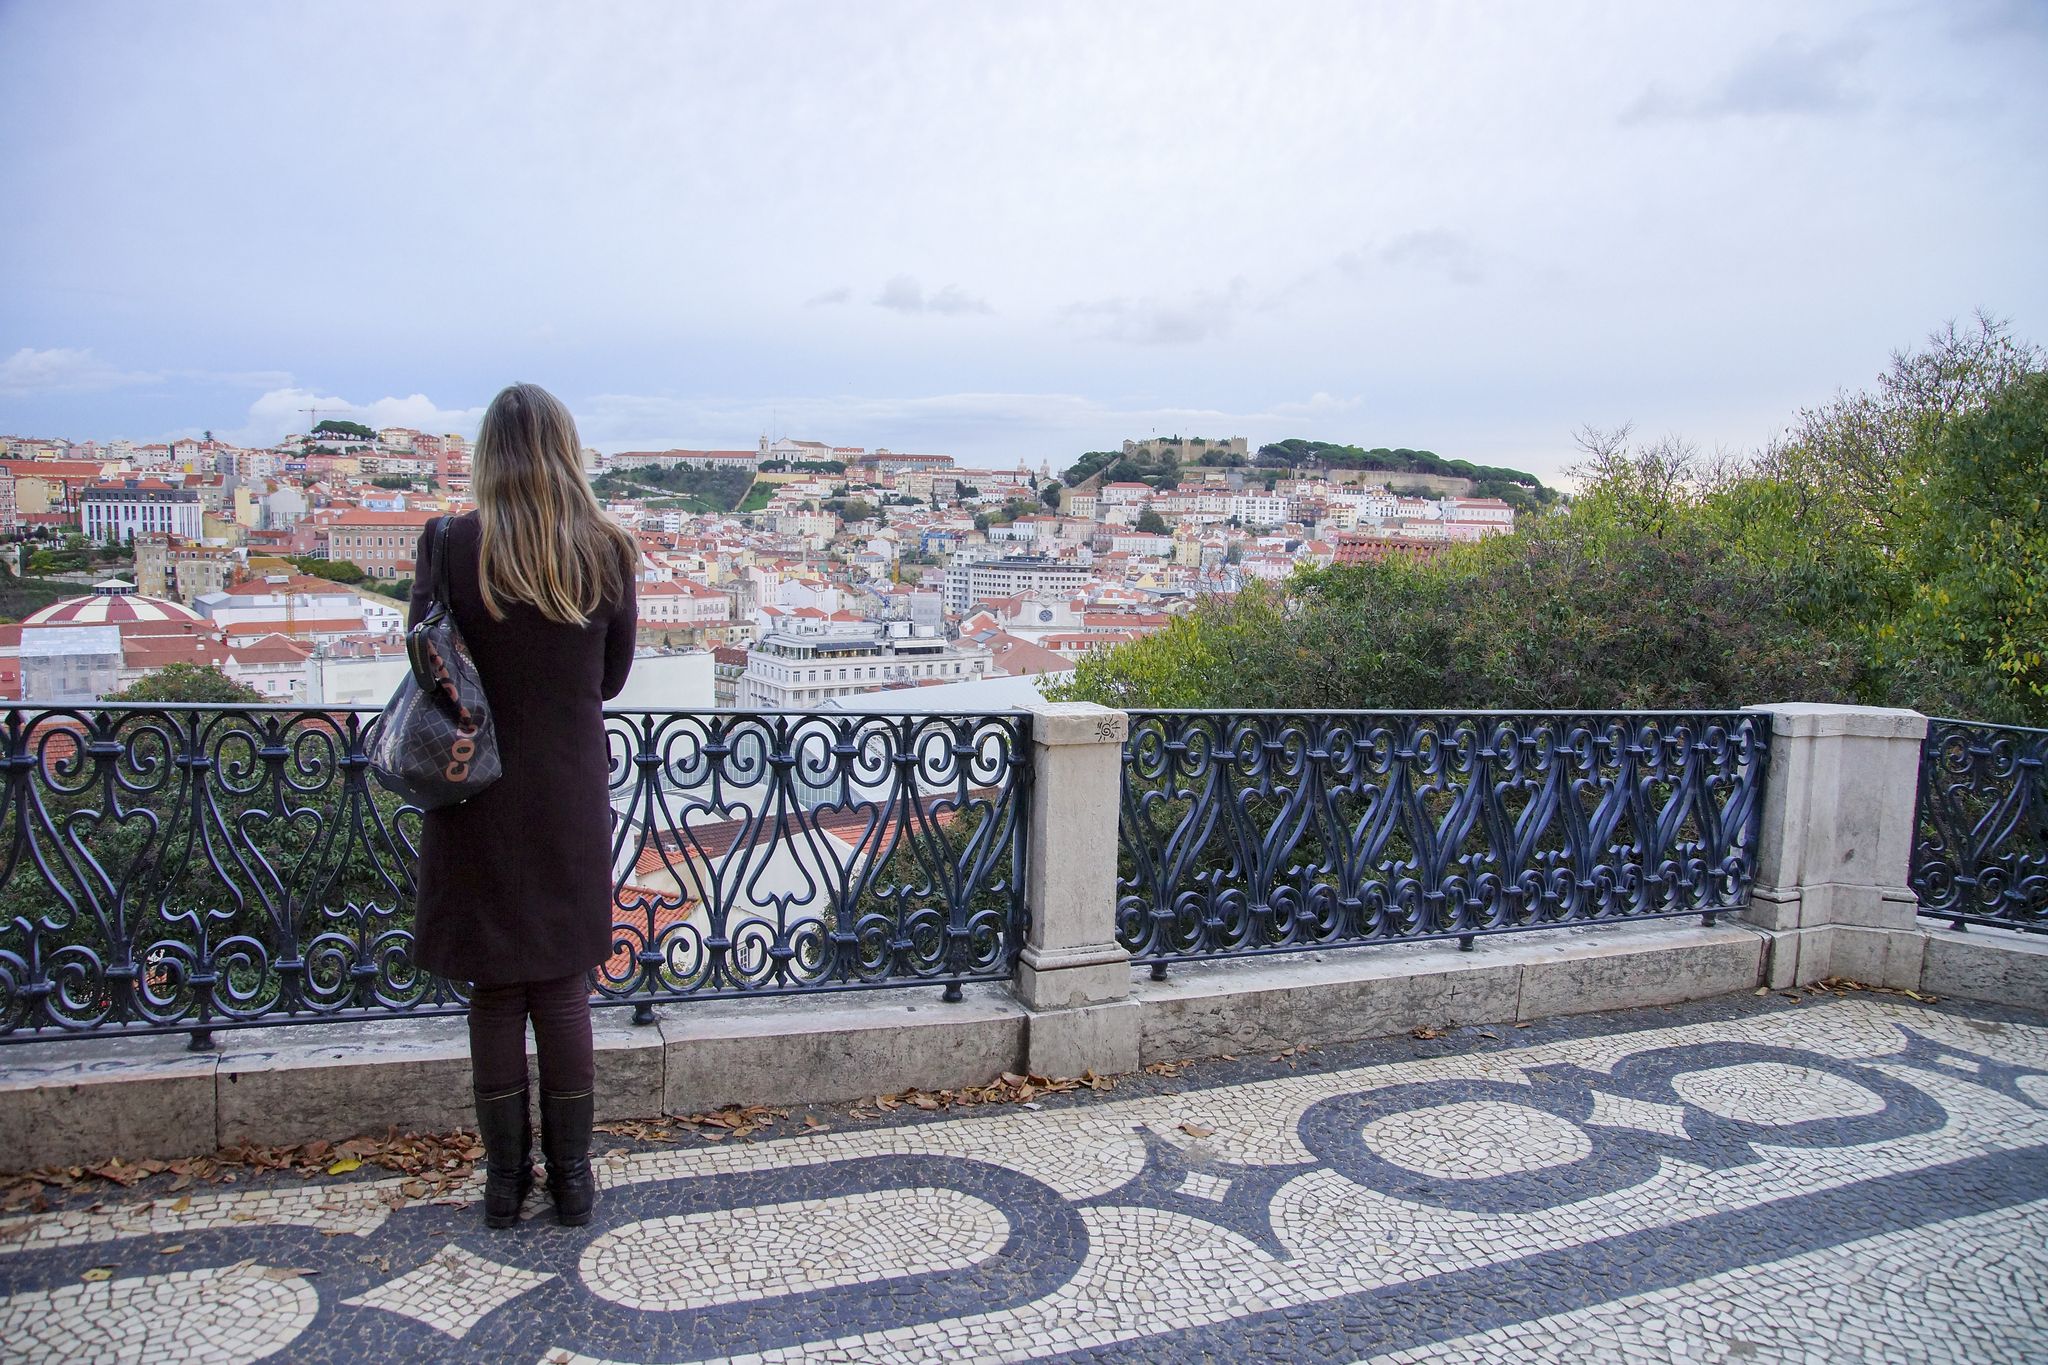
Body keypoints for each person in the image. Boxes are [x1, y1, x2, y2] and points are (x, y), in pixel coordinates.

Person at [407, 383, 637, 1228]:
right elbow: (609, 678)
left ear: (486, 455)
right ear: (567, 449)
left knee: (497, 992)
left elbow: (428, 661)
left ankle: (505, 1184)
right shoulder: (606, 548)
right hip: (569, 791)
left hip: (476, 789)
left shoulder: (448, 542)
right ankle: (573, 1181)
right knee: (564, 988)